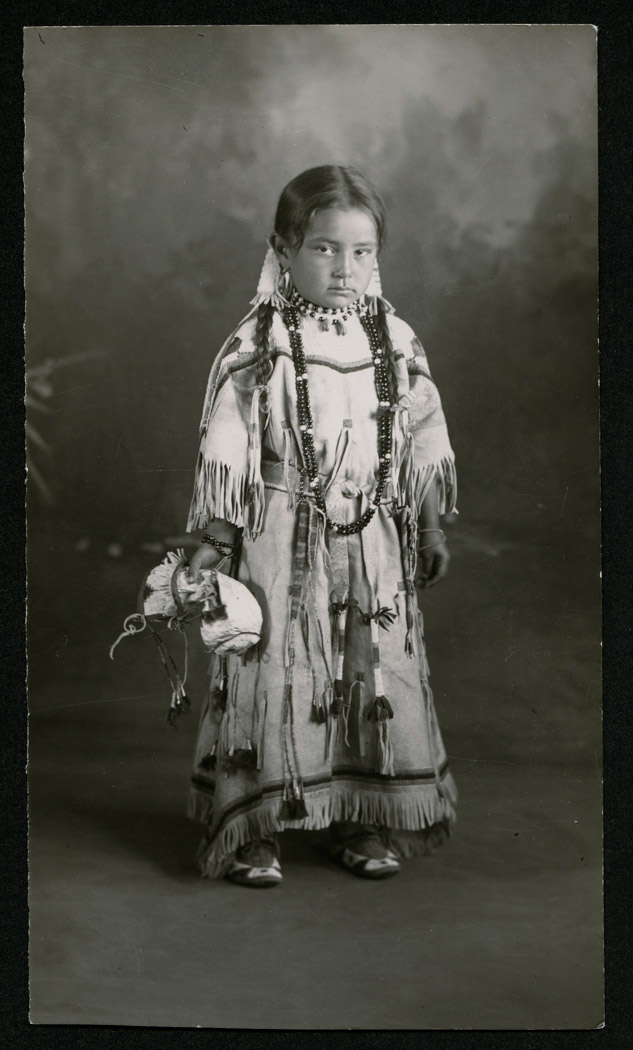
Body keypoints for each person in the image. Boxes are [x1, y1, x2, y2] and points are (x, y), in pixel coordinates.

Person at [186, 165, 457, 887]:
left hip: (371, 538)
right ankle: (257, 825)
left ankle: (361, 814)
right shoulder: (262, 341)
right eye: (324, 249)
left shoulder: (393, 338)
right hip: (278, 533)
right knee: (276, 667)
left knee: (368, 665)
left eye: (362, 251)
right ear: (282, 249)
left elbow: (422, 436)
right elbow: (228, 448)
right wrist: (217, 540)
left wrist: (427, 529)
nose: (346, 267)